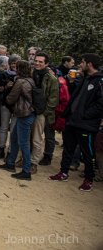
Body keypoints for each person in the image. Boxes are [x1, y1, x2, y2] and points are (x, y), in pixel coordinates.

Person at [49, 54, 103, 192]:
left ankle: (88, 179)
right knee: (68, 148)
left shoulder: (99, 81)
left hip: (86, 124)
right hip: (72, 121)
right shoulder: (85, 78)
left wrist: (84, 115)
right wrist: (72, 83)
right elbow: (75, 97)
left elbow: (100, 104)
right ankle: (63, 172)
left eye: (83, 62)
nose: (80, 65)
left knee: (87, 153)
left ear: (90, 64)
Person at [0, 60, 35, 180]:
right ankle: (10, 163)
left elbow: (10, 99)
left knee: (23, 143)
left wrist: (9, 90)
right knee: (14, 139)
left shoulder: (20, 82)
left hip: (24, 113)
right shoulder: (31, 80)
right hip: (25, 113)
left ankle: (26, 171)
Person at [30, 52, 59, 170]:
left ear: (46, 64)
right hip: (29, 110)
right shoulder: (31, 73)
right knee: (27, 137)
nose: (37, 63)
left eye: (40, 62)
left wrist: (44, 112)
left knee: (37, 139)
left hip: (41, 112)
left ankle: (34, 163)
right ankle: (24, 159)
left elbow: (53, 99)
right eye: (36, 61)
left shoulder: (51, 78)